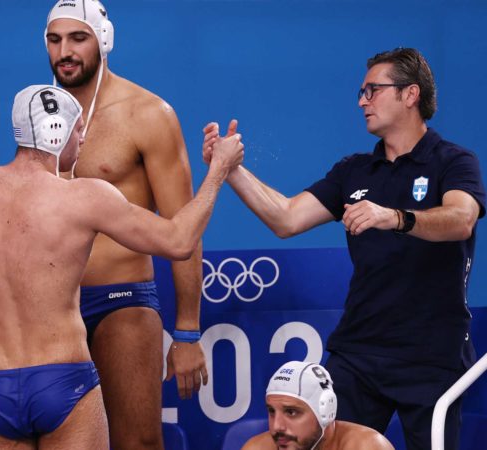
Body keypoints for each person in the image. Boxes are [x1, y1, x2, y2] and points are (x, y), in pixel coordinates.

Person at [0, 85, 244, 449]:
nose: (82, 139)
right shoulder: (86, 197)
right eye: (78, 130)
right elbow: (178, 240)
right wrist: (218, 171)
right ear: (57, 132)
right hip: (65, 382)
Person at [203, 48, 486, 450]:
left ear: (410, 94)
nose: (361, 101)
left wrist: (395, 217)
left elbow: (461, 220)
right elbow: (285, 218)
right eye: (361, 92)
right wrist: (230, 170)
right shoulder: (354, 170)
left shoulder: (454, 161)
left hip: (433, 355)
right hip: (358, 352)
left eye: (373, 90)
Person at [43, 2, 207, 446]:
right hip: (53, 306)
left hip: (123, 299)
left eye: (78, 38)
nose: (64, 52)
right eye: (55, 40)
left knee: (137, 442)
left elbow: (183, 227)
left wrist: (187, 331)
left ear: (104, 40)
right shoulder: (38, 117)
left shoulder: (147, 114)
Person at [242, 361, 394, 450]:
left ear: (325, 412)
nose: (277, 427)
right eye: (271, 411)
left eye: (291, 412)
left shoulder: (366, 446)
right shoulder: (257, 448)